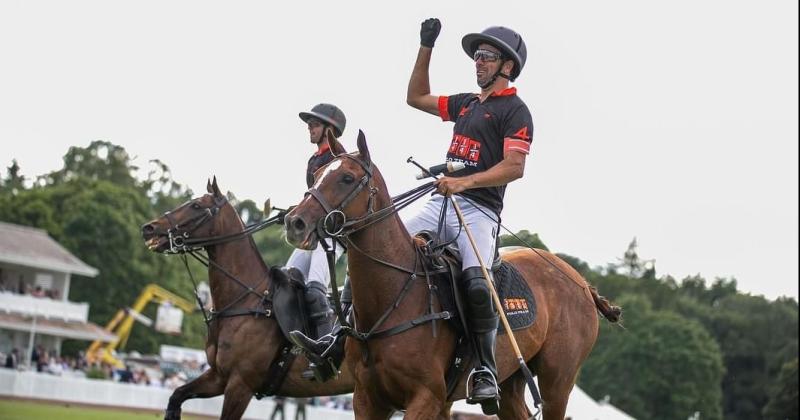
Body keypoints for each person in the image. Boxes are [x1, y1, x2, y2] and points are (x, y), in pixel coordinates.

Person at [404, 17, 533, 408]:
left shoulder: (515, 110)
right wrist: (426, 46)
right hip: (440, 202)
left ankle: (485, 369)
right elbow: (415, 97)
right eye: (476, 56)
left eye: (486, 57)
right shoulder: (466, 104)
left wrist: (463, 183)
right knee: (384, 246)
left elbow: (515, 166)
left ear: (506, 66)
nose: (478, 62)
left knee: (478, 282)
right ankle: (342, 336)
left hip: (479, 212)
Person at [284, 103, 352, 381]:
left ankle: (327, 355)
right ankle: (295, 345)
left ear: (330, 129)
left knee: (314, 291)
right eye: (309, 124)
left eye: (314, 124)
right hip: (314, 235)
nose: (309, 129)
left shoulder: (341, 159)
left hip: (334, 236)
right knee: (287, 283)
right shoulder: (314, 160)